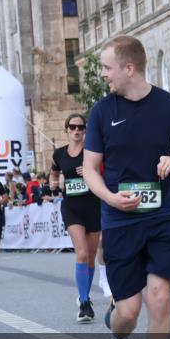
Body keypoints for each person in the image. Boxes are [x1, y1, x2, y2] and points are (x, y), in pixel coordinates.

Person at [82, 35, 170, 339]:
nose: (104, 75)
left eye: (107, 67)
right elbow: (89, 169)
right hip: (119, 220)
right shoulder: (102, 111)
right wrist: (110, 197)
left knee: (160, 297)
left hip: (163, 215)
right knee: (127, 313)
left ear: (128, 68)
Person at [51, 113, 102, 322]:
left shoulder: (93, 152)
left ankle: (85, 295)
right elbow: (54, 173)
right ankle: (83, 303)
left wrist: (91, 172)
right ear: (66, 130)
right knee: (81, 253)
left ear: (85, 130)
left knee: (90, 257)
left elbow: (105, 174)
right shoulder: (59, 154)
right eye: (72, 127)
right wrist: (53, 183)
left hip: (93, 206)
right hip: (72, 208)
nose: (76, 130)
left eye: (80, 127)